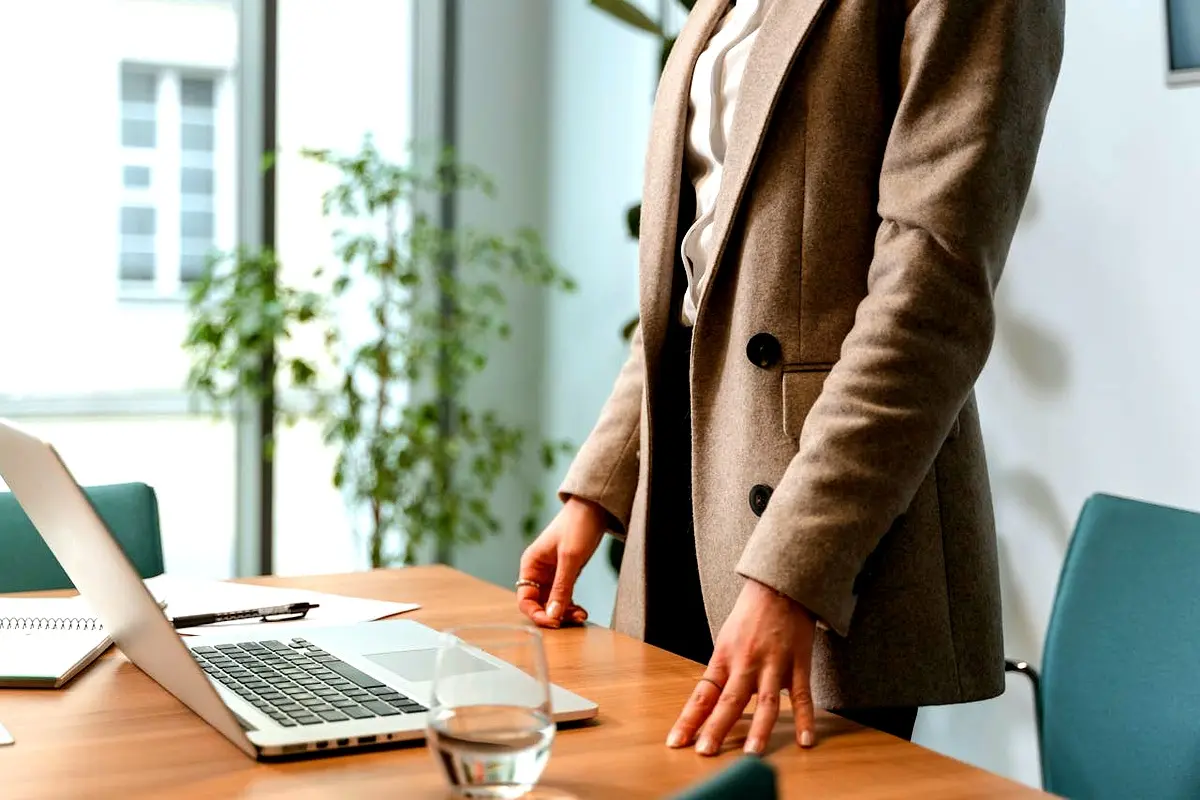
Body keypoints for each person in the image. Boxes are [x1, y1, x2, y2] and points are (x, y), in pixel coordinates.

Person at [517, 0, 1064, 755]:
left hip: (824, 533)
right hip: (683, 500)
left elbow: (933, 291)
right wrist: (600, 485)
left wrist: (794, 570)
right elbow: (703, 282)